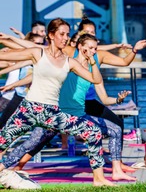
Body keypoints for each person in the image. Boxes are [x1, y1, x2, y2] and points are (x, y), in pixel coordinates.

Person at [1, 34, 136, 181]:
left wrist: (118, 99)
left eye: (95, 48)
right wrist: (15, 83)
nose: (93, 51)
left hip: (77, 115)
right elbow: (37, 68)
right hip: (56, 113)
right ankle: (12, 167)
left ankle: (114, 172)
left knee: (114, 129)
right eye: (90, 48)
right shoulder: (67, 62)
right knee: (32, 143)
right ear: (80, 47)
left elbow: (103, 96)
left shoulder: (89, 69)